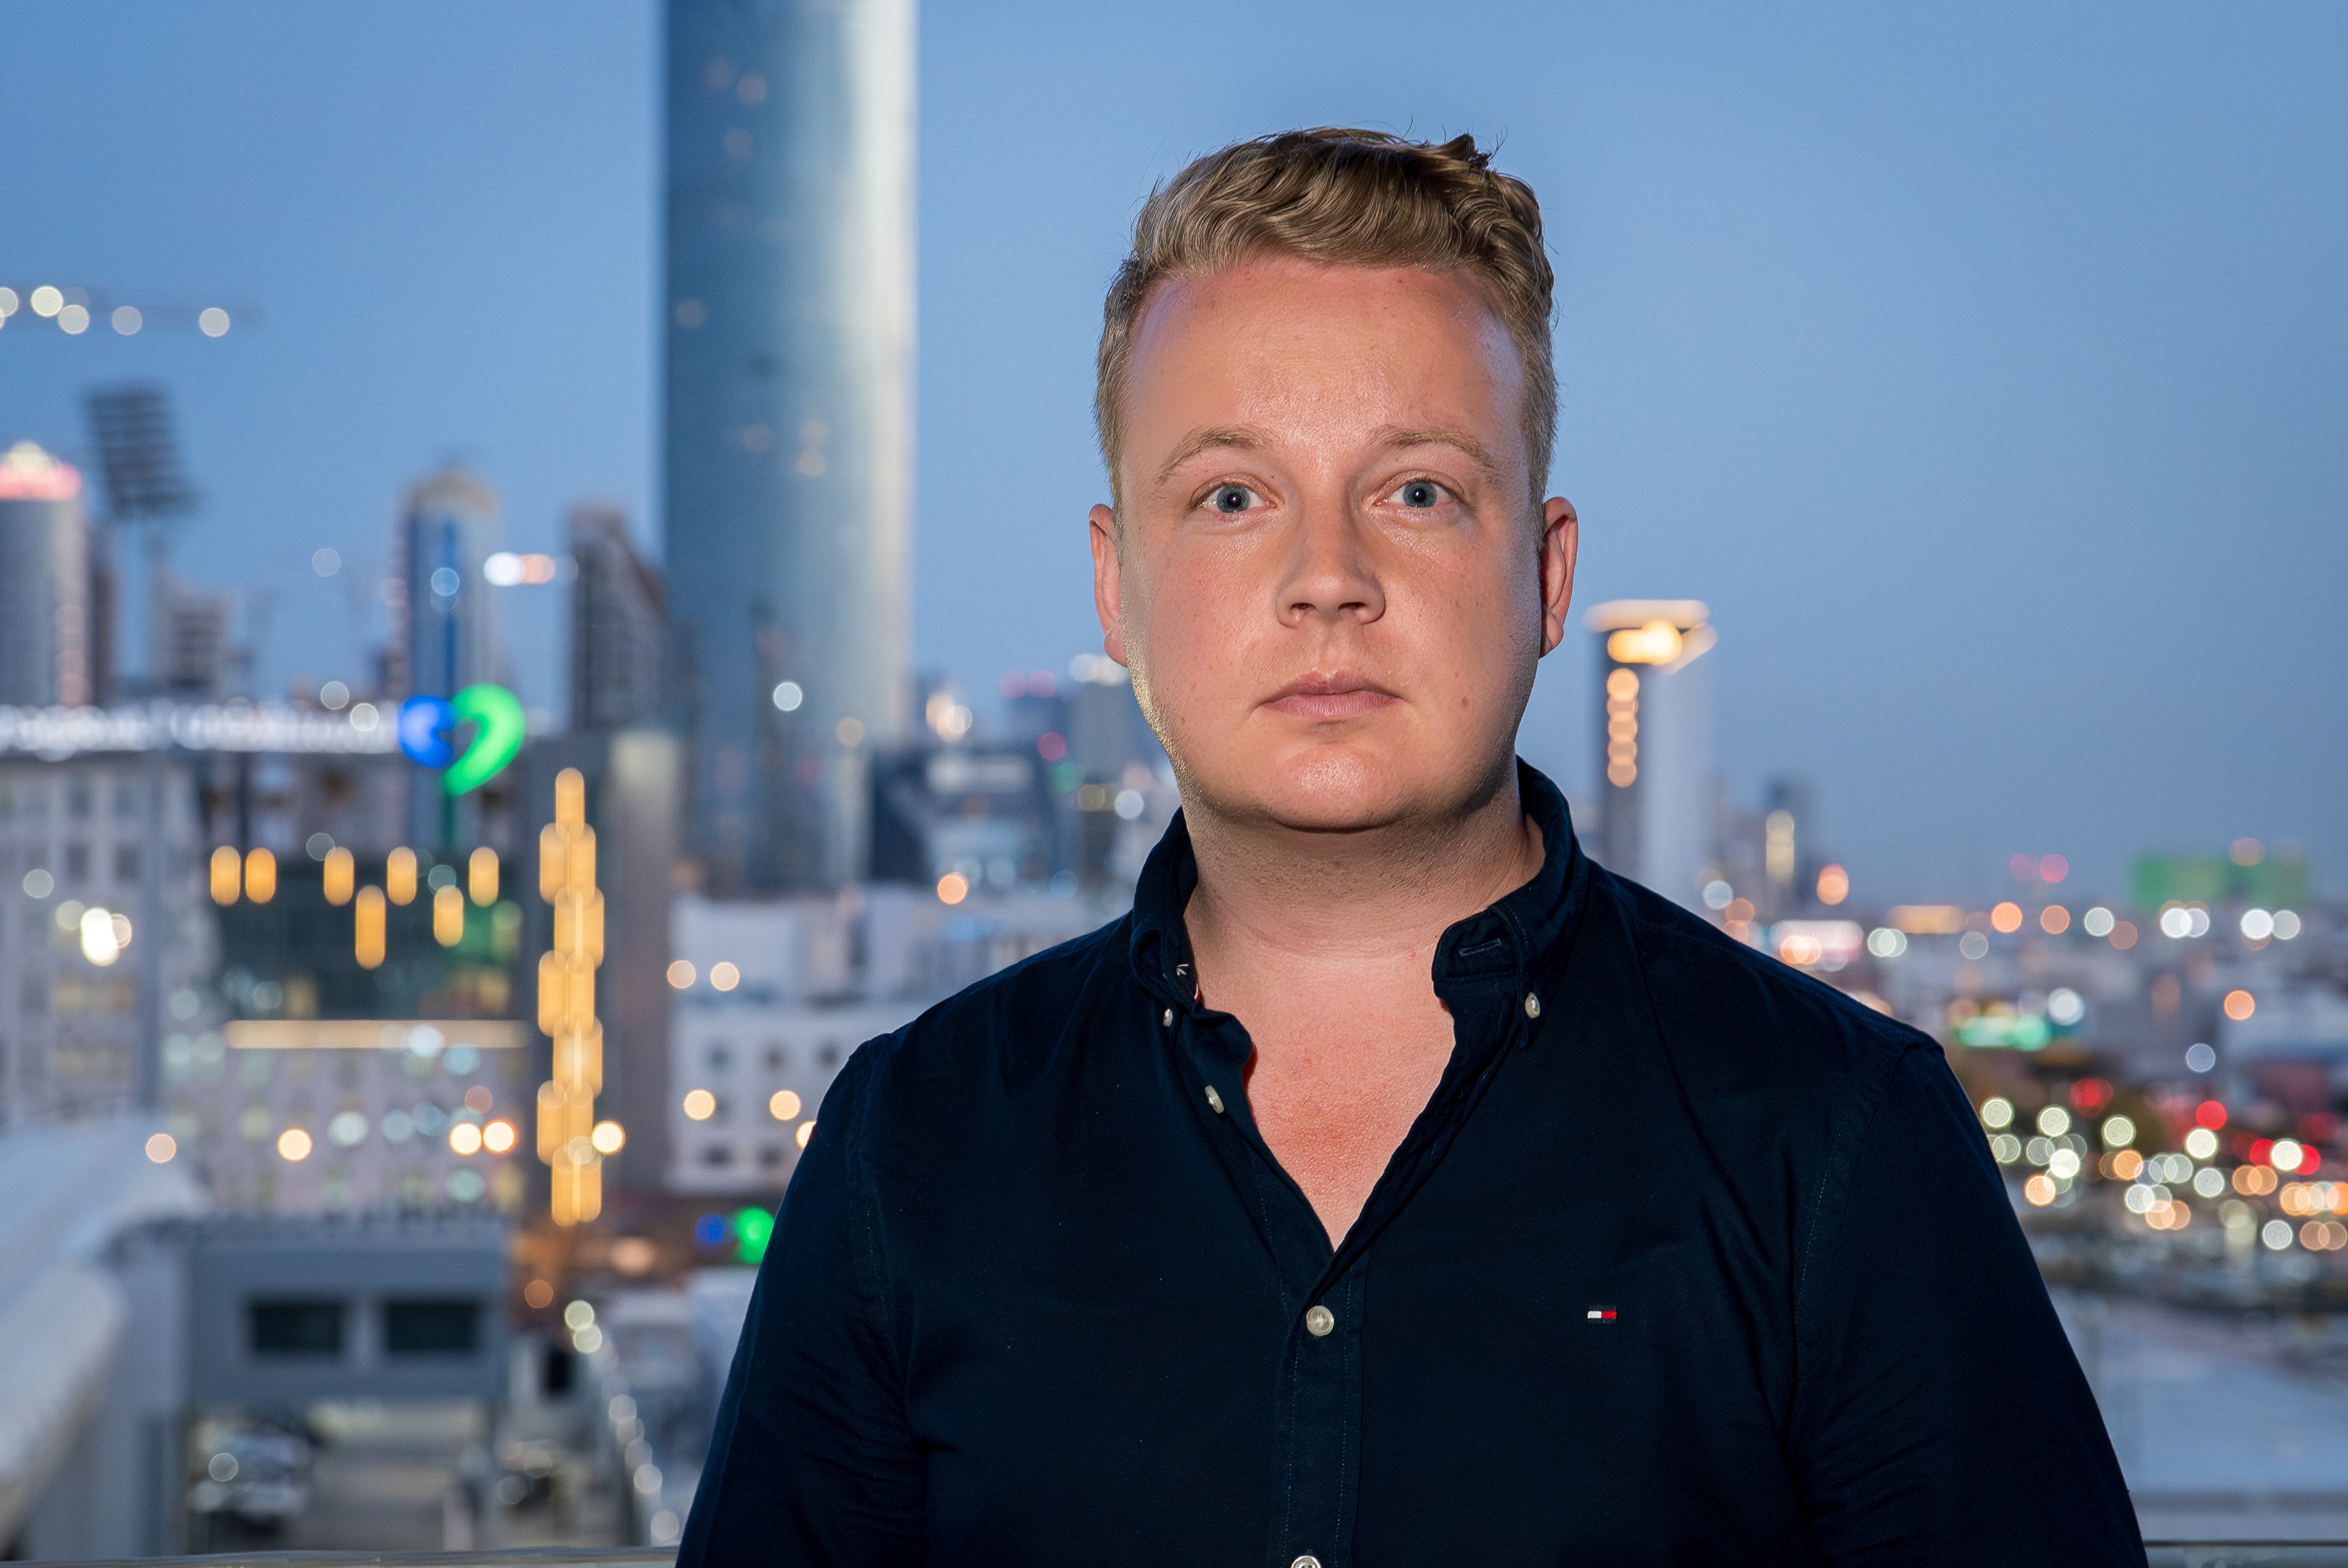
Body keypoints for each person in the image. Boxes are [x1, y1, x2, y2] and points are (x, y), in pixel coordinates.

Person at [678, 128, 2141, 1566]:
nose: (1329, 579)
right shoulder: (914, 1143)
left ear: (1547, 573)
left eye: (1419, 491)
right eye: (1234, 497)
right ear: (1119, 588)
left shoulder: (1834, 1135)